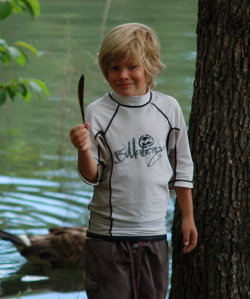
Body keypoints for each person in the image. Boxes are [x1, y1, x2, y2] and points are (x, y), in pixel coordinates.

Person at [69, 23, 198, 299]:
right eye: (114, 68)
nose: (123, 75)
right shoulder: (98, 112)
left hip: (154, 234)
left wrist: (188, 217)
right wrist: (82, 149)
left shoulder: (168, 109)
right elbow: (92, 176)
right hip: (106, 238)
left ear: (150, 66)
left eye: (131, 67)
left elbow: (182, 167)